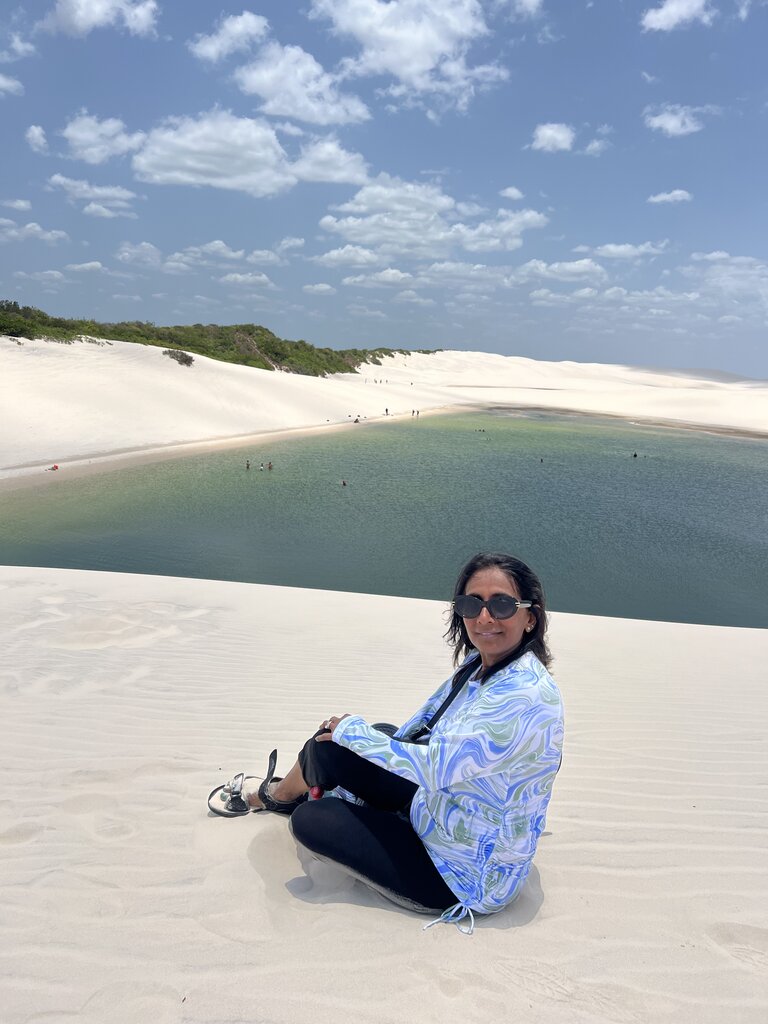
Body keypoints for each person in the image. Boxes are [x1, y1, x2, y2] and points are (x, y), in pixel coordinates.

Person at [212, 553, 563, 932]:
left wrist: (356, 734)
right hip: (433, 808)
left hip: (460, 873)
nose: (484, 617)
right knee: (332, 746)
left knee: (312, 820)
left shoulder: (526, 696)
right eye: (471, 603)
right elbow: (425, 725)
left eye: (502, 605)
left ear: (530, 617)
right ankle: (280, 795)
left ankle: (303, 799)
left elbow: (437, 768)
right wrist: (359, 743)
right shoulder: (481, 665)